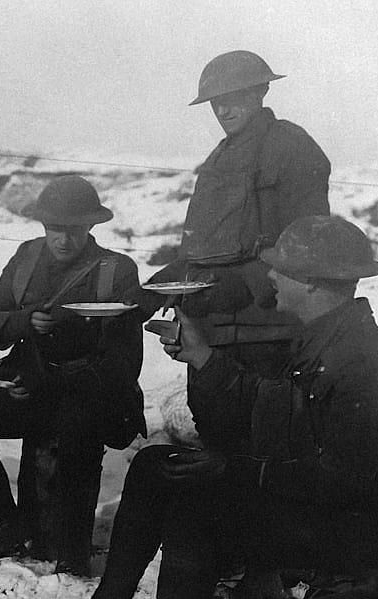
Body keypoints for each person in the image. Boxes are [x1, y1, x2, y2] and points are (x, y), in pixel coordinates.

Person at [19, 216, 378, 599]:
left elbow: (340, 481)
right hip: (317, 504)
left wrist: (234, 470)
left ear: (317, 283)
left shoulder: (364, 359)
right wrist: (203, 357)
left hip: (351, 535)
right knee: (157, 469)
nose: (271, 279)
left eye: (283, 271)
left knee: (198, 516)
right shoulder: (326, 336)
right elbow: (272, 410)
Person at [0, 175, 145, 573]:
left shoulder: (115, 271)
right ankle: (10, 521)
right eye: (55, 230)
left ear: (91, 227)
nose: (63, 241)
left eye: (73, 230)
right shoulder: (27, 260)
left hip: (91, 403)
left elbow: (122, 365)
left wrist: (46, 382)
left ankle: (70, 551)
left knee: (76, 423)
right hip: (33, 396)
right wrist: (21, 323)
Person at [134, 49, 331, 452]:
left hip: (270, 338)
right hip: (211, 337)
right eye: (215, 102)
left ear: (260, 91)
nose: (223, 108)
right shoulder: (215, 163)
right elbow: (202, 249)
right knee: (218, 446)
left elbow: (310, 243)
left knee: (268, 448)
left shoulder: (294, 148)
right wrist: (163, 284)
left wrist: (244, 282)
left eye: (234, 96)